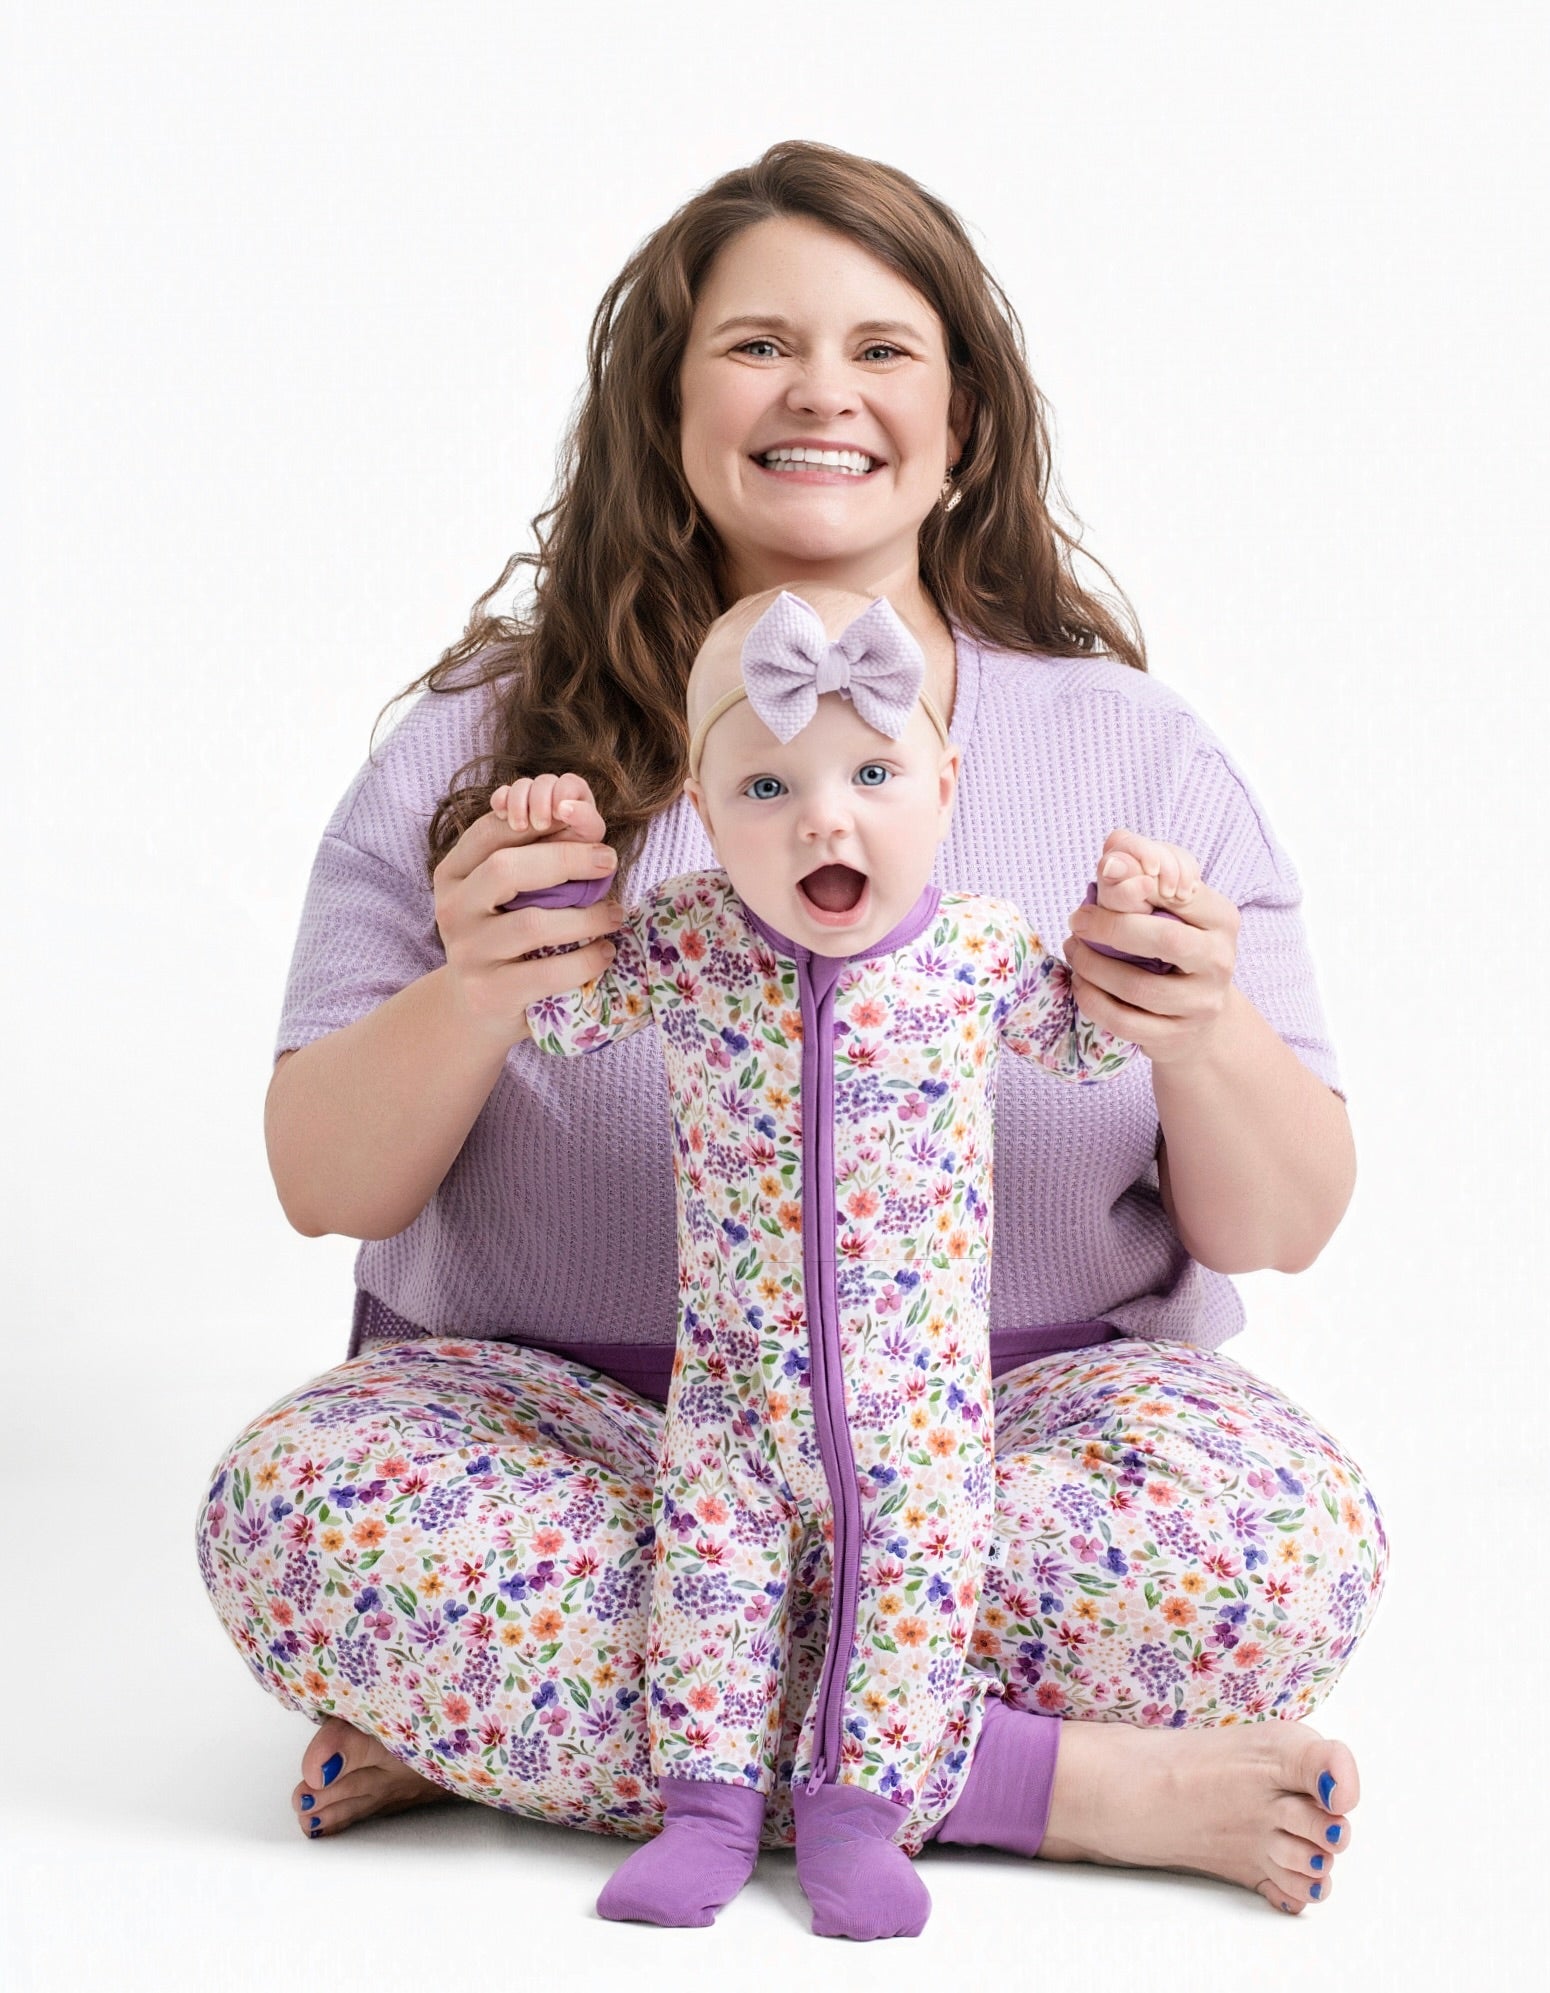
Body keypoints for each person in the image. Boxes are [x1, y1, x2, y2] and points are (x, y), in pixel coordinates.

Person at [196, 140, 1387, 1924]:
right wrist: (477, 989)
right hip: (572, 1436)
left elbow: (1279, 1228)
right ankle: (1024, 1776)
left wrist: (1199, 1033)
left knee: (1284, 1544)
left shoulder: (1131, 751)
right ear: (663, 411)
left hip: (992, 1442)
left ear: (962, 418)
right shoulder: (479, 747)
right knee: (293, 1510)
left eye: (881, 348)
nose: (821, 389)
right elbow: (320, 1179)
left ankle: (534, 1726)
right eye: (756, 345)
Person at [501, 580, 1196, 1935]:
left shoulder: (979, 952)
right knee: (706, 1577)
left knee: (912, 1592)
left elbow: (1091, 1043)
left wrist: (1129, 924)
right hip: (729, 1401)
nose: (825, 815)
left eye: (872, 771)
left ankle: (859, 1809)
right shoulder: (691, 942)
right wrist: (569, 873)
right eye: (767, 787)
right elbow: (569, 1018)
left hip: (920, 1410)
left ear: (943, 784)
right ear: (703, 812)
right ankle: (702, 1805)